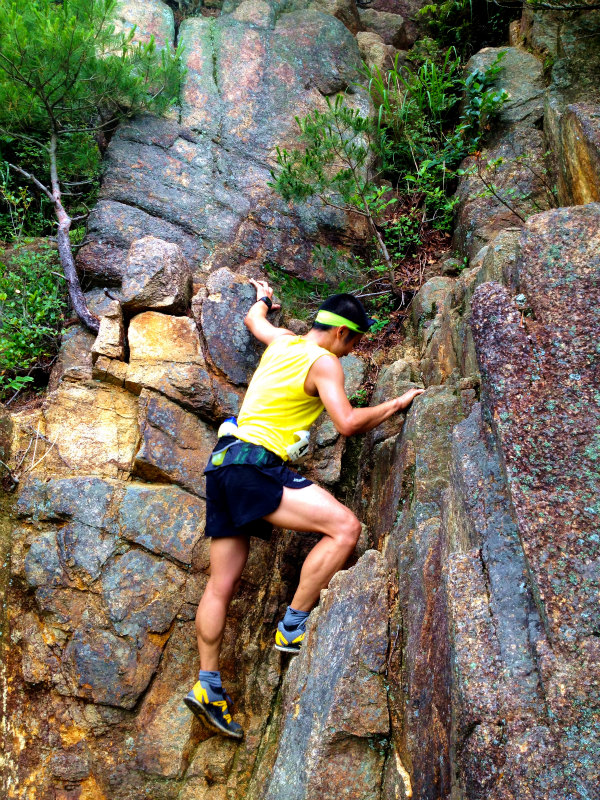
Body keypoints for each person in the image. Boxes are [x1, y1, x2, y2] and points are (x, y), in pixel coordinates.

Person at [184, 279, 424, 739]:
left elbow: (255, 321)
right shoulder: (325, 362)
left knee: (220, 585)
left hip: (222, 467)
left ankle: (208, 685)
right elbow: (348, 423)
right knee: (345, 528)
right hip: (257, 467)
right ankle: (292, 626)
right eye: (355, 342)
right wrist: (396, 403)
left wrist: (263, 300)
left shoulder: (283, 342)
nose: (353, 352)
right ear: (341, 334)